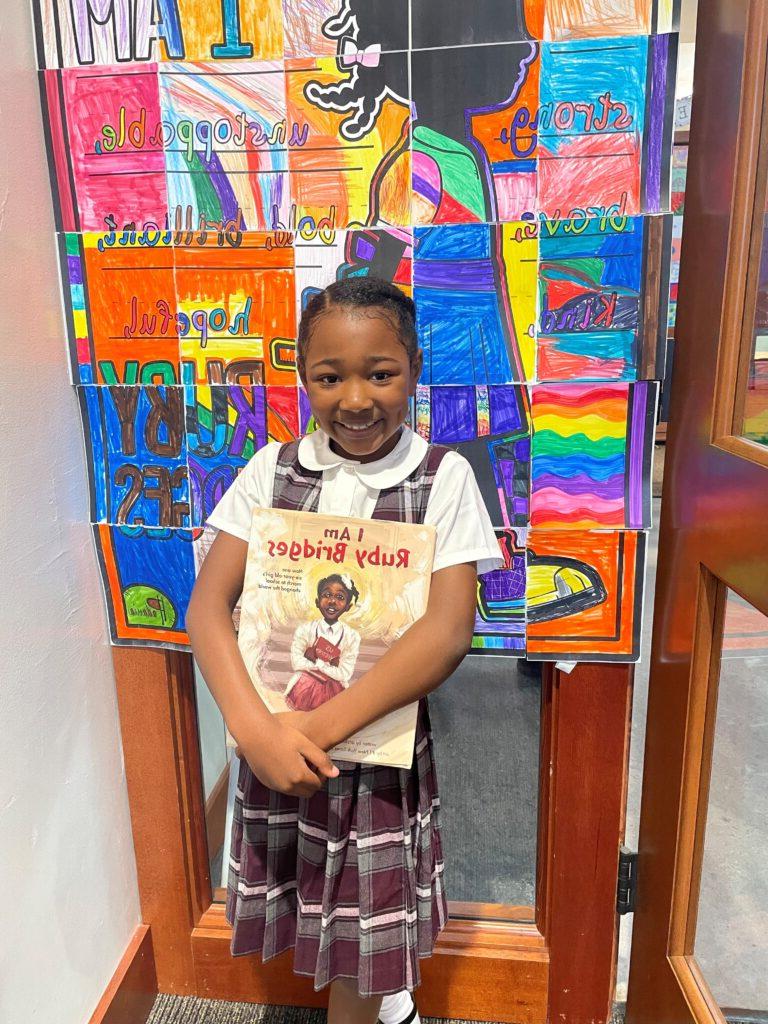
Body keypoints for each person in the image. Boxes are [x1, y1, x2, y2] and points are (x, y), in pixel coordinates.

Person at [187, 277, 502, 1024]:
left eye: (380, 373)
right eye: (329, 377)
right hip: (276, 747)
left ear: (415, 369)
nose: (355, 400)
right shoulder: (272, 470)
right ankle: (383, 996)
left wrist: (311, 733)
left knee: (367, 916)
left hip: (371, 756)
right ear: (304, 378)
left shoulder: (443, 478)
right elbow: (208, 607)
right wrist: (258, 734)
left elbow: (447, 631)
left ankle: (379, 999)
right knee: (315, 902)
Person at [285, 574, 362, 712]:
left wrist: (316, 660)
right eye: (327, 594)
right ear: (317, 601)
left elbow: (344, 673)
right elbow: (297, 662)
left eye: (340, 597)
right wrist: (330, 664)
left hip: (335, 694)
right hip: (303, 690)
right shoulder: (305, 630)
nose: (332, 601)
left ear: (348, 607)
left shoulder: (352, 637)